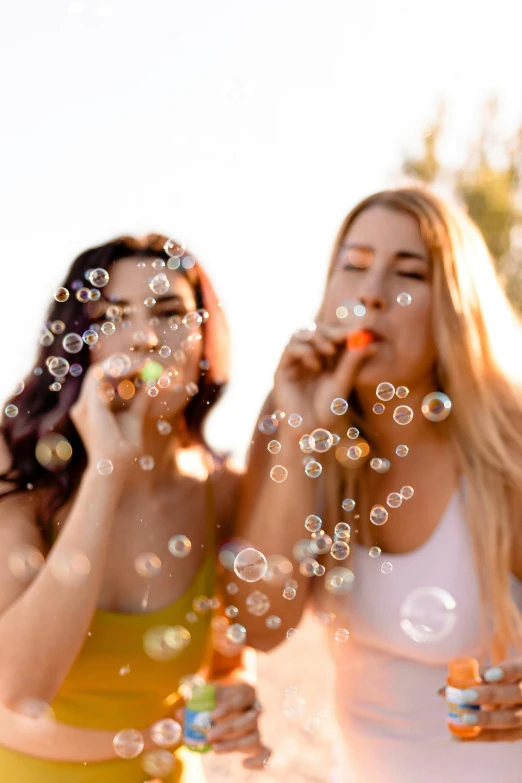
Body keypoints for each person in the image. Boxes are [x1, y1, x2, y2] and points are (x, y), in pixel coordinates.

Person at [234, 188, 522, 782]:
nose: (372, 293)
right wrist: (299, 434)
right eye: (356, 265)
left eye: (408, 273)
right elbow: (261, 625)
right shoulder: (292, 416)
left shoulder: (506, 440)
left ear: (453, 305)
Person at [0, 233, 267, 782]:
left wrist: (236, 694)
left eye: (170, 313)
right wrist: (106, 469)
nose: (145, 337)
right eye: (114, 315)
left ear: (203, 341)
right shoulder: (15, 466)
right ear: (80, 344)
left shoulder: (226, 490)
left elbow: (226, 657)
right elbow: (18, 690)